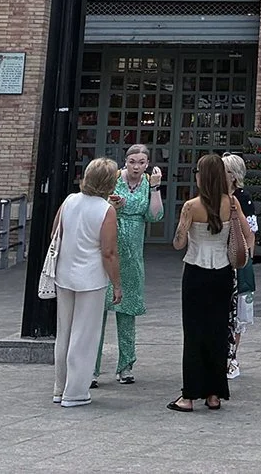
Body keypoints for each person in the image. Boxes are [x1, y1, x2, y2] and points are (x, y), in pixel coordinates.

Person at [168, 153, 242, 412]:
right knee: (218, 332)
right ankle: (214, 394)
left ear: (202, 176)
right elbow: (244, 233)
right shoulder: (231, 203)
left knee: (194, 332)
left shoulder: (191, 206)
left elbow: (179, 243)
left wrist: (185, 226)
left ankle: (188, 396)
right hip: (222, 273)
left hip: (196, 272)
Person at [50, 157, 122, 408]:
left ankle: (60, 387)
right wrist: (117, 283)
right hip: (91, 278)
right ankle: (76, 391)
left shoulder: (70, 201)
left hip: (64, 273)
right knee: (85, 335)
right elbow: (108, 252)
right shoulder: (106, 211)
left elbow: (55, 233)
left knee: (65, 333)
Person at [94, 144, 163, 385]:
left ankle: (125, 366)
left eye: (141, 162)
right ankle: (91, 368)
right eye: (132, 161)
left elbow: (155, 215)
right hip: (110, 245)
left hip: (133, 252)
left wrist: (155, 187)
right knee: (97, 312)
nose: (136, 166)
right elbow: (97, 206)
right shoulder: (114, 179)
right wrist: (113, 205)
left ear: (147, 164)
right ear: (125, 162)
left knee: (127, 311)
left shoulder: (147, 182)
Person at [222, 152, 257, 380]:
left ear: (233, 175)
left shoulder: (242, 199)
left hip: (237, 262)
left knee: (237, 313)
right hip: (216, 258)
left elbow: (250, 233)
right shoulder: (213, 196)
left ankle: (232, 358)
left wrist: (245, 259)